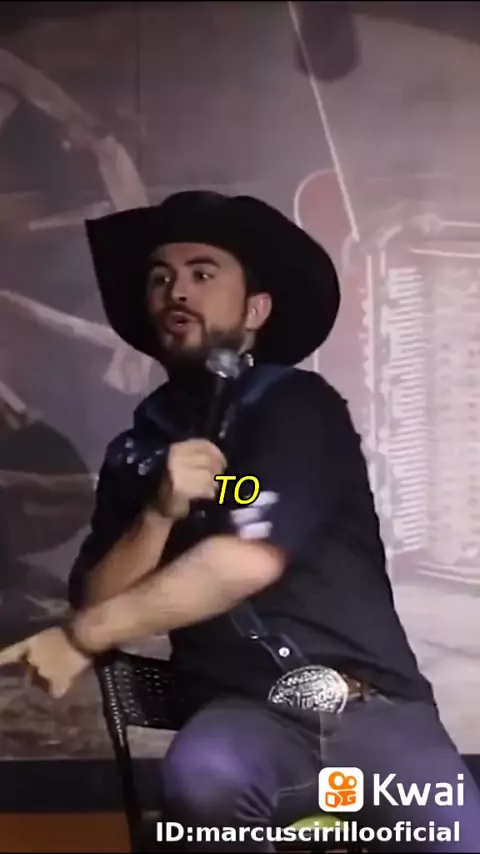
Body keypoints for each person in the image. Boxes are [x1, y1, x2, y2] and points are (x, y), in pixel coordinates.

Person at [0, 190, 479, 852]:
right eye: (160, 278)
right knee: (205, 776)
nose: (176, 291)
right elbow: (98, 595)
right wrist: (158, 512)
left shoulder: (297, 407)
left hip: (374, 711)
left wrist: (82, 637)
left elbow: (246, 560)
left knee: (458, 839)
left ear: (255, 311)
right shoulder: (135, 449)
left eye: (202, 273)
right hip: (245, 719)